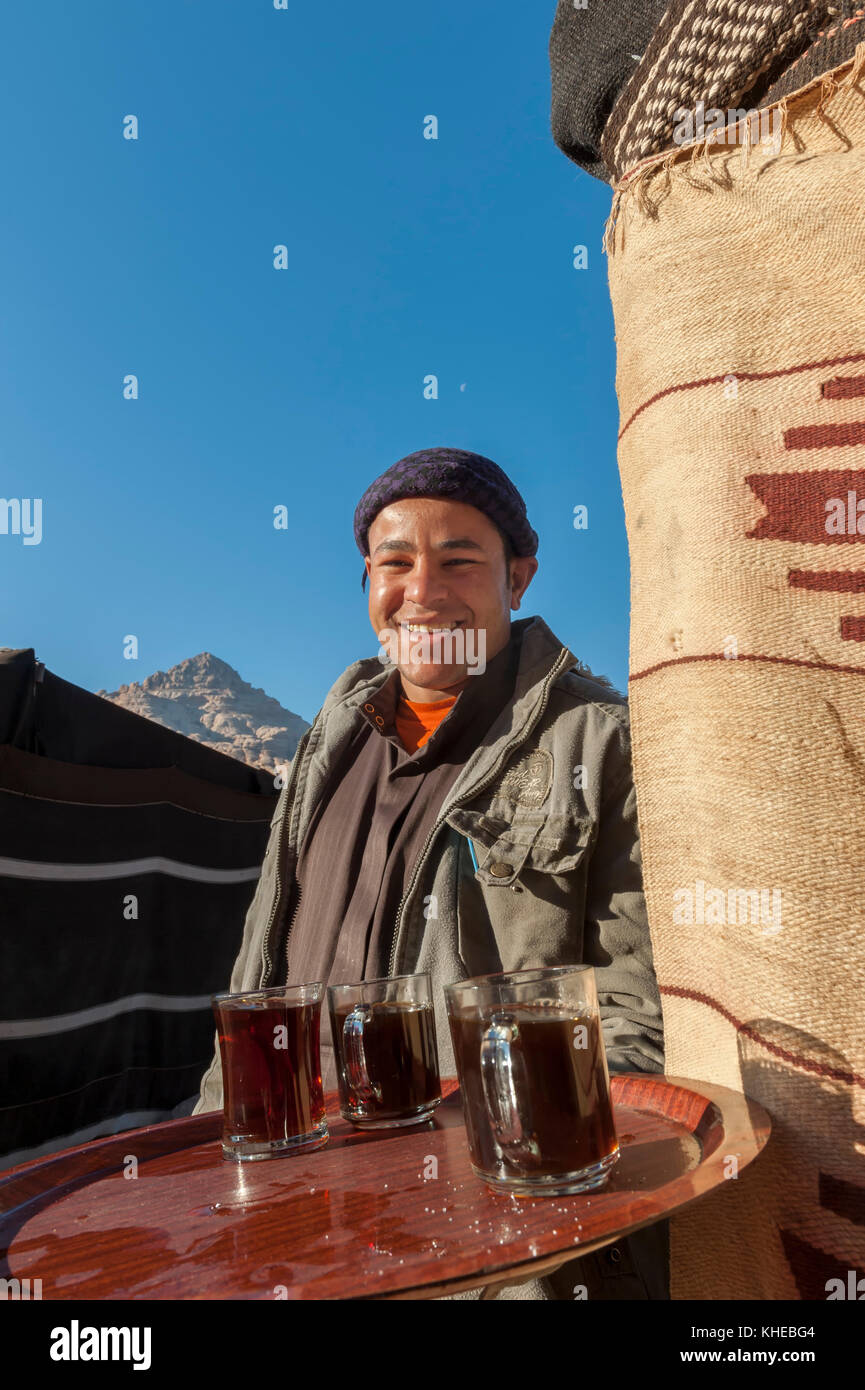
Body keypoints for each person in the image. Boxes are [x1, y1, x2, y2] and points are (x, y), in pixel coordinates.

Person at [195, 445, 667, 1299]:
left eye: (459, 560)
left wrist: (517, 1178)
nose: (422, 591)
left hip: (491, 1230)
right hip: (300, 1204)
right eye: (395, 562)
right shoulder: (325, 746)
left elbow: (636, 1013)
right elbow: (260, 972)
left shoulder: (600, 742)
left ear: (518, 579)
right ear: (367, 581)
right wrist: (205, 1147)